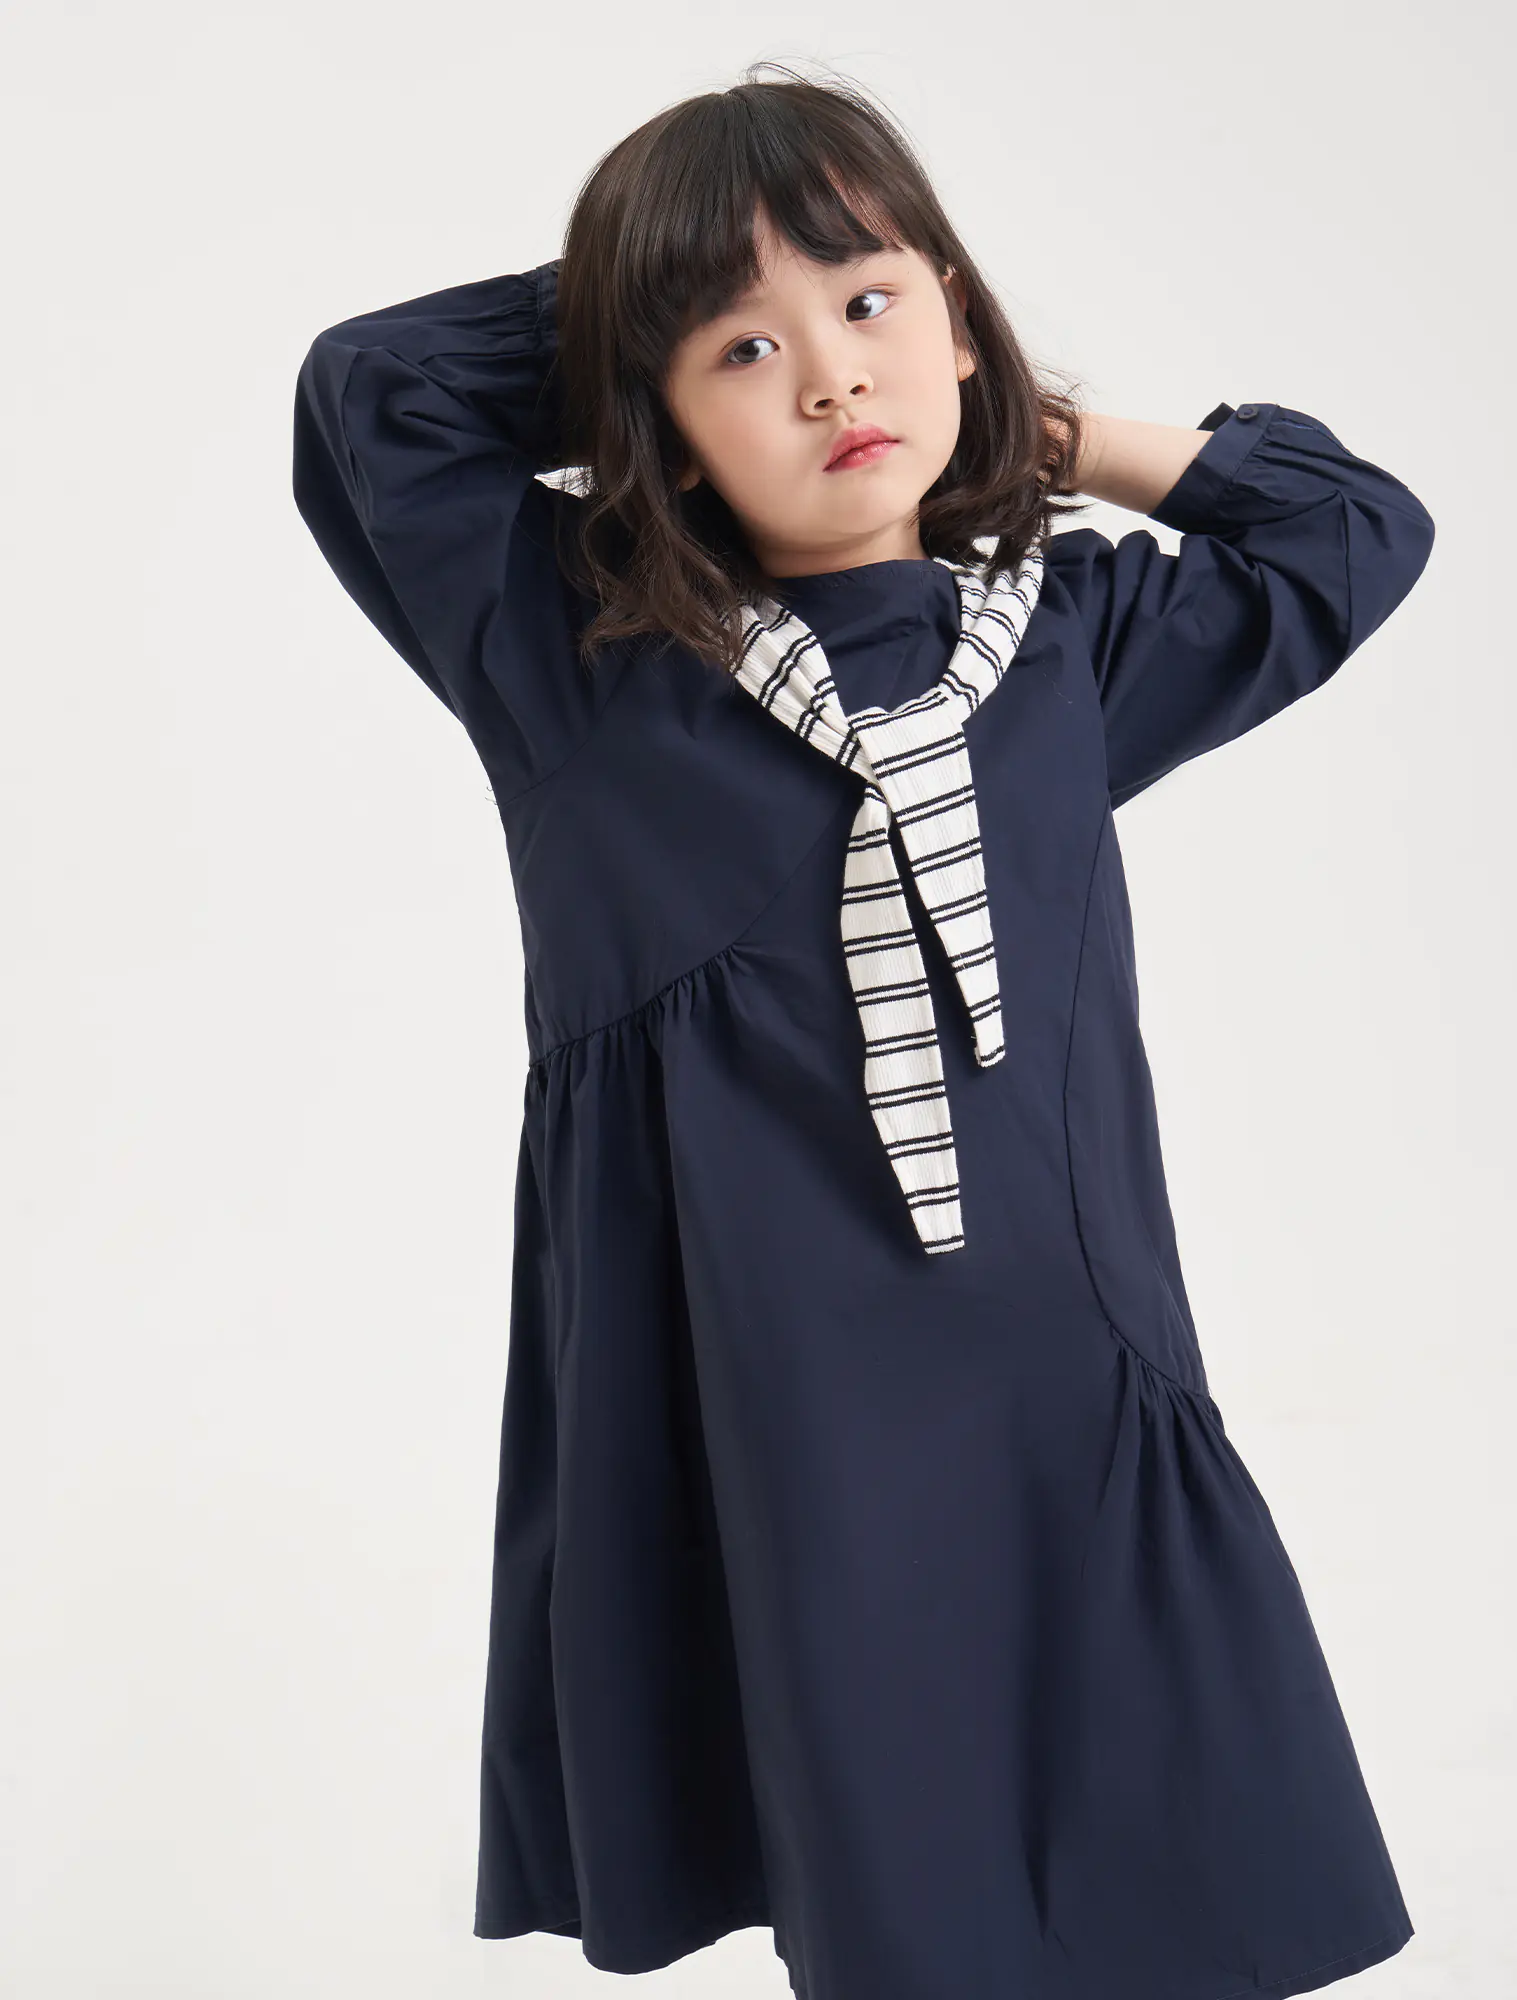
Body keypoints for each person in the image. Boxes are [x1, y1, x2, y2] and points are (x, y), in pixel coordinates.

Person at [291, 66, 1435, 2000]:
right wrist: (656, 281)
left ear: (962, 323)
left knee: (1172, 1894)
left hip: (1068, 1393)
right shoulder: (577, 662)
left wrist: (1037, 425)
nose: (832, 378)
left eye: (872, 301)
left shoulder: (1063, 647)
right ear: (649, 419)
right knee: (900, 1907)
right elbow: (372, 387)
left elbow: (1350, 530)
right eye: (745, 352)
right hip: (770, 1427)